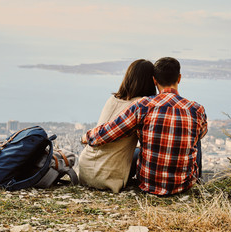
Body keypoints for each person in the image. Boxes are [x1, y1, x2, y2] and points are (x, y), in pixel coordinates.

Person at [82, 57, 208, 196]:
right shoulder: (196, 109)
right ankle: (198, 182)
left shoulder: (143, 106)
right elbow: (201, 133)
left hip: (148, 184)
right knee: (195, 138)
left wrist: (86, 137)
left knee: (138, 151)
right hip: (183, 186)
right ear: (179, 78)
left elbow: (108, 131)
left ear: (155, 81)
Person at [78, 59, 156, 193]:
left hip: (85, 169)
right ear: (151, 81)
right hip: (105, 176)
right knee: (142, 152)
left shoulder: (113, 99)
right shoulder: (140, 106)